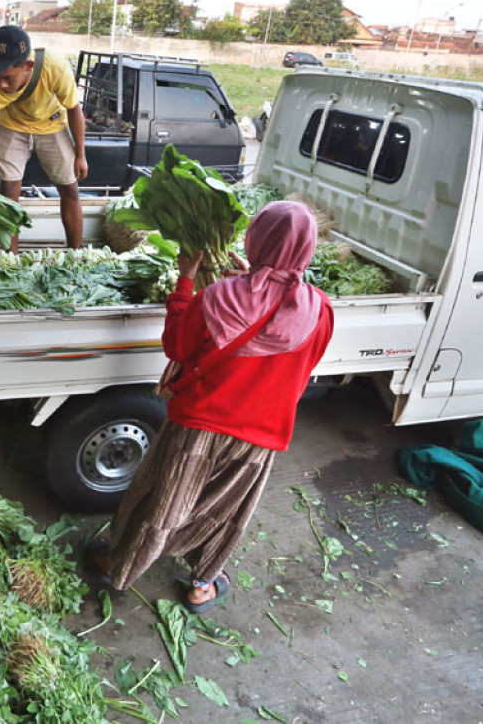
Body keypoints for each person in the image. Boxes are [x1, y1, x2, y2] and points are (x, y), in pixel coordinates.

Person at [88, 202, 335, 612]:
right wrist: (256, 286)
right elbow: (303, 366)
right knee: (224, 509)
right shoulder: (319, 310)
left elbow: (179, 348)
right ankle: (203, 584)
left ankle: (118, 563)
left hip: (198, 426)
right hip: (260, 436)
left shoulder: (218, 296)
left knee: (163, 501)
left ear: (257, 240)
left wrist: (185, 282)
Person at [0, 26, 87, 250]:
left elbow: (74, 109)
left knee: (70, 189)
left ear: (27, 66)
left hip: (52, 124)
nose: (0, 84)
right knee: (9, 195)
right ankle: (10, 260)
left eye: (7, 77)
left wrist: (80, 154)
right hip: (12, 125)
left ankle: (76, 253)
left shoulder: (55, 68)